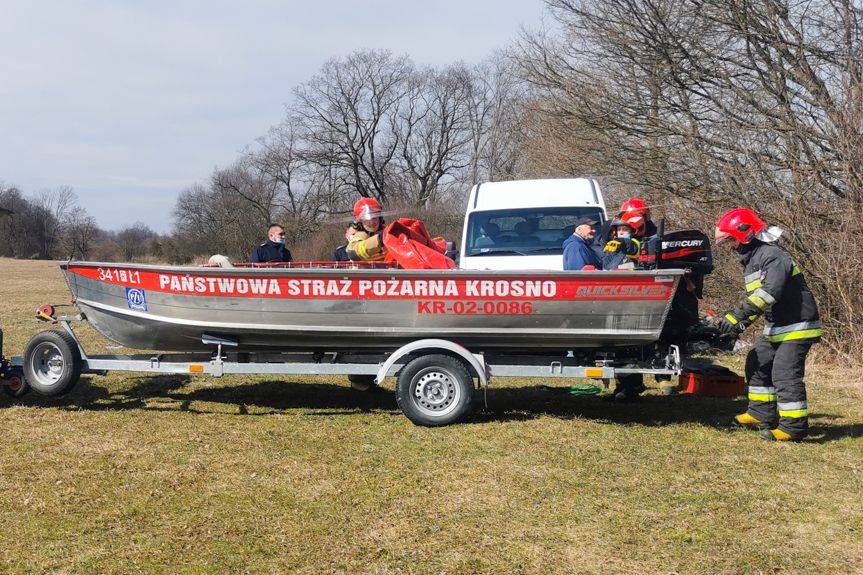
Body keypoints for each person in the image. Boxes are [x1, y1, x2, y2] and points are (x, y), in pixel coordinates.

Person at [715, 208, 821, 441]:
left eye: (731, 240)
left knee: (784, 373)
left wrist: (737, 316)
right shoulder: (754, 260)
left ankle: (793, 428)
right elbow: (760, 301)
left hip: (797, 324)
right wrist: (738, 325)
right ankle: (759, 413)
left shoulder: (772, 256)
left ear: (746, 234)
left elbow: (769, 293)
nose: (731, 246)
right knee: (757, 361)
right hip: (777, 325)